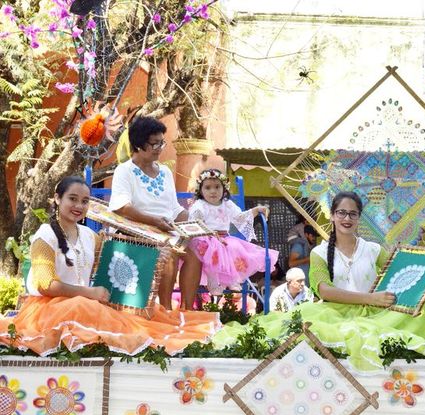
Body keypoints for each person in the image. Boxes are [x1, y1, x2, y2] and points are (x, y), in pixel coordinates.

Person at [213, 191, 425, 372]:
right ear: (332, 216)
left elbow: (403, 273)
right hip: (335, 314)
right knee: (302, 328)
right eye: (342, 213)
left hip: (376, 315)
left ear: (359, 218)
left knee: (416, 323)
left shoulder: (374, 249)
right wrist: (369, 299)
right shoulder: (319, 253)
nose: (347, 218)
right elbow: (324, 292)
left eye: (353, 214)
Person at [0, 176, 220, 356]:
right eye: (72, 199)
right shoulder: (45, 235)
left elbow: (119, 260)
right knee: (85, 306)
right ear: (57, 199)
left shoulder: (88, 235)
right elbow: (45, 284)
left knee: (143, 313)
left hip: (85, 302)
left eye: (85, 201)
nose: (79, 206)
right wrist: (89, 293)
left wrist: (154, 258)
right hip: (49, 308)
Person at [108, 116, 199, 309]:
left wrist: (195, 222)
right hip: (136, 232)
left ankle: (186, 310)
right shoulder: (124, 171)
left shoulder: (165, 172)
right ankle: (165, 309)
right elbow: (122, 207)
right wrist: (155, 222)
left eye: (161, 143)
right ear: (139, 145)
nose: (159, 148)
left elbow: (173, 208)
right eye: (154, 144)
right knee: (170, 254)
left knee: (194, 258)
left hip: (166, 230)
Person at [185, 168, 279, 300]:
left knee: (234, 247)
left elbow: (239, 217)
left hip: (224, 237)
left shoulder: (227, 204)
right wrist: (208, 232)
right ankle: (213, 282)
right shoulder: (200, 205)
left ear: (224, 188)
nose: (213, 191)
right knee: (213, 250)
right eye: (207, 187)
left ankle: (230, 280)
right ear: (201, 190)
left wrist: (256, 210)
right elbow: (195, 222)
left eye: (217, 187)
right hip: (206, 238)